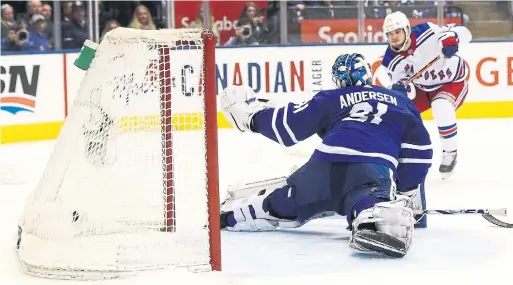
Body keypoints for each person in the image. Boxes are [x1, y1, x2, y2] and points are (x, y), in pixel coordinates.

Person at [219, 53, 433, 258]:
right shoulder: (402, 103)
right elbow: (420, 153)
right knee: (369, 200)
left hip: (323, 164)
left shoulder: (332, 97)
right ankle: (374, 214)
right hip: (372, 169)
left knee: (288, 200)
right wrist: (406, 192)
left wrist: (252, 117)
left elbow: (287, 127)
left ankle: (234, 215)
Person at [375, 11, 472, 179]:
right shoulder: (391, 60)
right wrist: (401, 89)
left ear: (406, 29)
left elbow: (466, 34)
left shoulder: (427, 31)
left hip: (453, 81)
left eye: (397, 32)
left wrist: (452, 38)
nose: (394, 37)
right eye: (390, 34)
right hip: (423, 88)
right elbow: (407, 88)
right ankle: (392, 157)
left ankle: (450, 151)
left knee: (441, 105)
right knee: (397, 115)